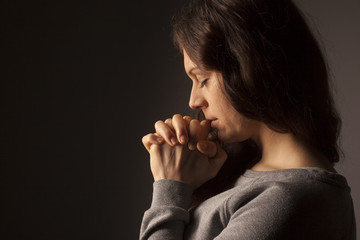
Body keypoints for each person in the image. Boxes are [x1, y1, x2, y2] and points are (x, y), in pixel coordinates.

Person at [140, 0, 356, 239]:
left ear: (250, 66)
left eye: (202, 79)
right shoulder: (252, 174)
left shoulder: (285, 199)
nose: (193, 101)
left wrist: (169, 187)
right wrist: (187, 179)